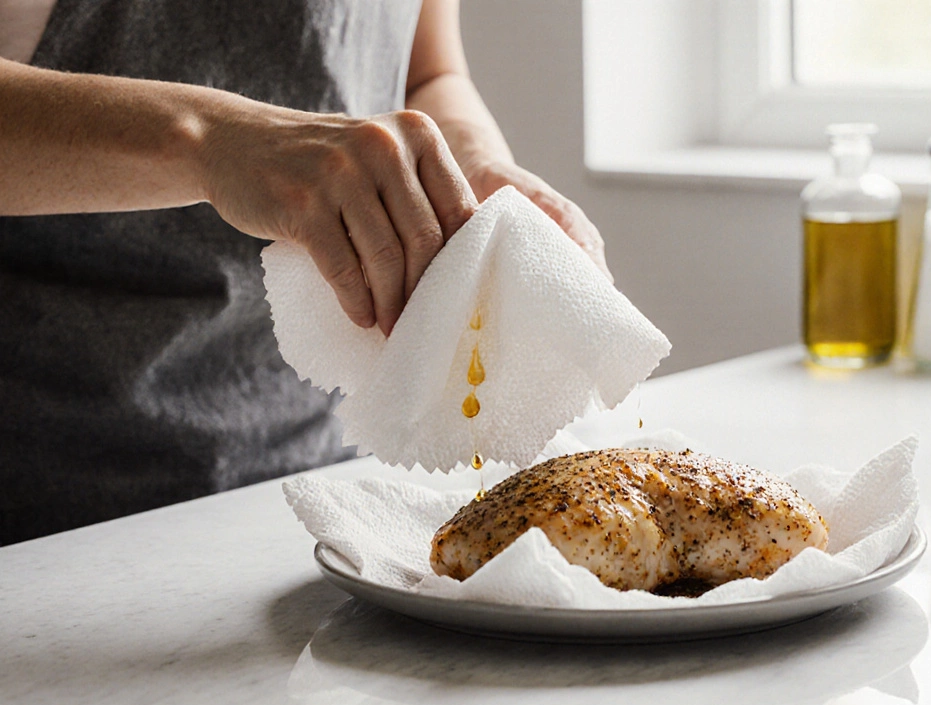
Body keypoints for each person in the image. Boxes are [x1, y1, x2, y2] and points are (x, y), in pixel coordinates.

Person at [0, 0, 610, 545]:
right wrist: (210, 138)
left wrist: (472, 160)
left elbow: (429, 70)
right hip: (48, 509)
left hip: (315, 486)